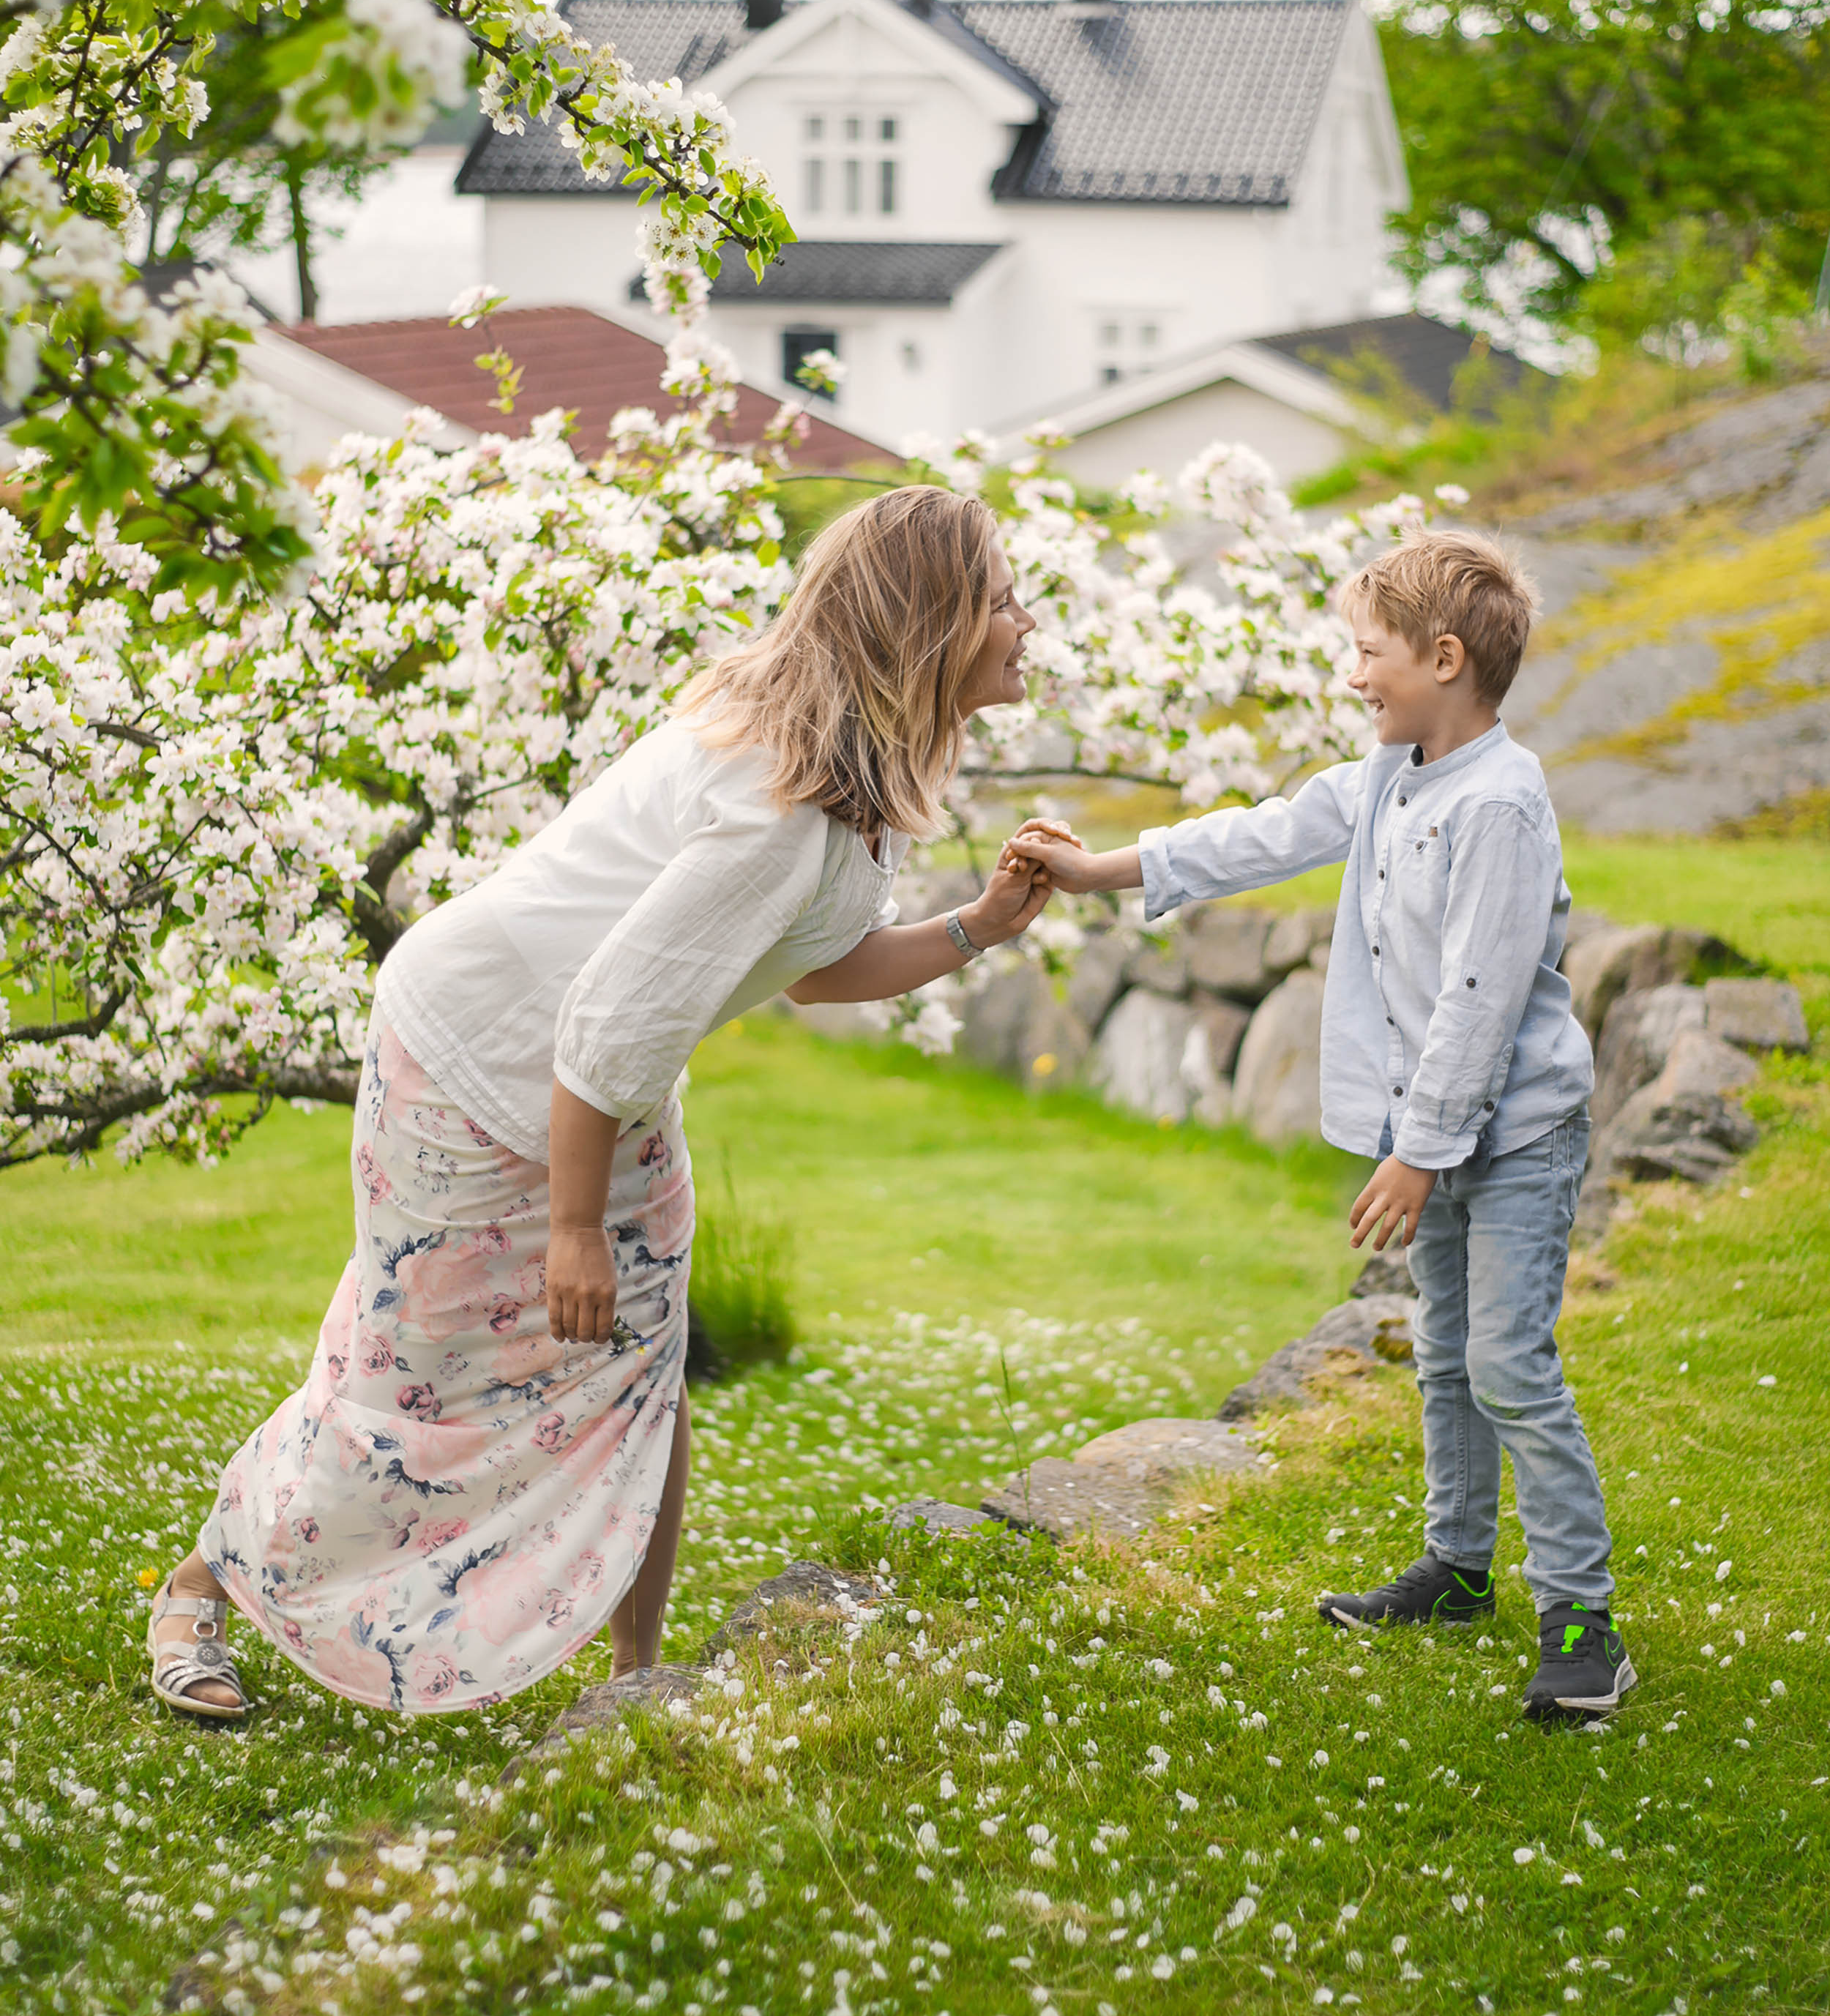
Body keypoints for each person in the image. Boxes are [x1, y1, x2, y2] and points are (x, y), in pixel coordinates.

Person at [146, 488, 1062, 1723]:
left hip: (595, 1090)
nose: (1025, 619)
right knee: (413, 1372)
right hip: (476, 1057)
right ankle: (202, 1587)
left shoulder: (842, 771)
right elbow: (607, 1022)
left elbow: (805, 970)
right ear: (934, 623)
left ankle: (640, 1683)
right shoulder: (781, 811)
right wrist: (575, 1228)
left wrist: (981, 926)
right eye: (1003, 596)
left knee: (645, 1361)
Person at [1005, 525, 1635, 1726]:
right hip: (1438, 1133)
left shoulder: (1500, 803)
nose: (1352, 675)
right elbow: (1261, 831)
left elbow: (1479, 998)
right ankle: (1457, 1568)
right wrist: (1101, 873)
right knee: (1447, 1354)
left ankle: (1582, 1624)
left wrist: (1416, 1150)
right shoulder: (1389, 777)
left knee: (1507, 1361)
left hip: (1510, 1135)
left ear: (1444, 658)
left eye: (1368, 653)